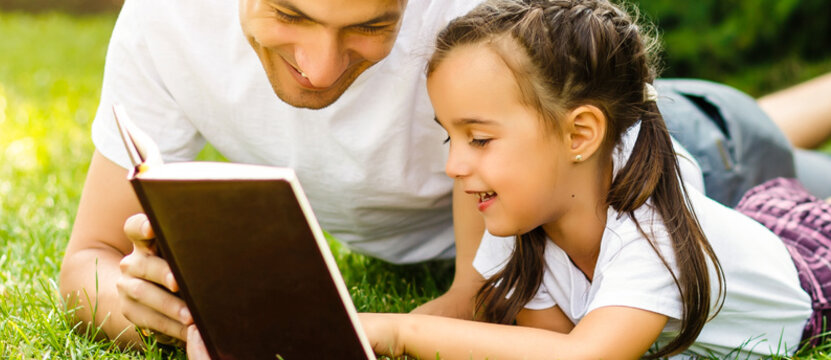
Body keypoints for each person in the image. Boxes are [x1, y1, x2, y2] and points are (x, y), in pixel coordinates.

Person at [59, 0, 831, 352]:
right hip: (545, 203)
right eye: (289, 15)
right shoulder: (163, 26)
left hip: (656, 160)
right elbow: (87, 259)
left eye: (369, 27)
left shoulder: (492, 37)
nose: (320, 70)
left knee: (776, 155)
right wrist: (182, 318)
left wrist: (377, 335)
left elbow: (479, 313)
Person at [352, 0, 829, 358]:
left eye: (478, 139)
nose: (453, 167)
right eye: (448, 139)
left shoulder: (651, 232)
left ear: (580, 134)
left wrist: (397, 331)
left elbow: (584, 356)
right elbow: (549, 345)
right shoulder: (519, 219)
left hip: (811, 272)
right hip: (749, 224)